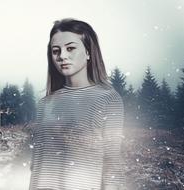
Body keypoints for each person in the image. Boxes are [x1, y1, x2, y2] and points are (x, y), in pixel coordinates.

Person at [29, 18, 126, 190]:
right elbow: (37, 164)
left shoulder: (108, 98)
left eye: (71, 48)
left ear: (88, 52)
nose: (62, 56)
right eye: (55, 51)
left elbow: (112, 163)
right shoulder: (44, 104)